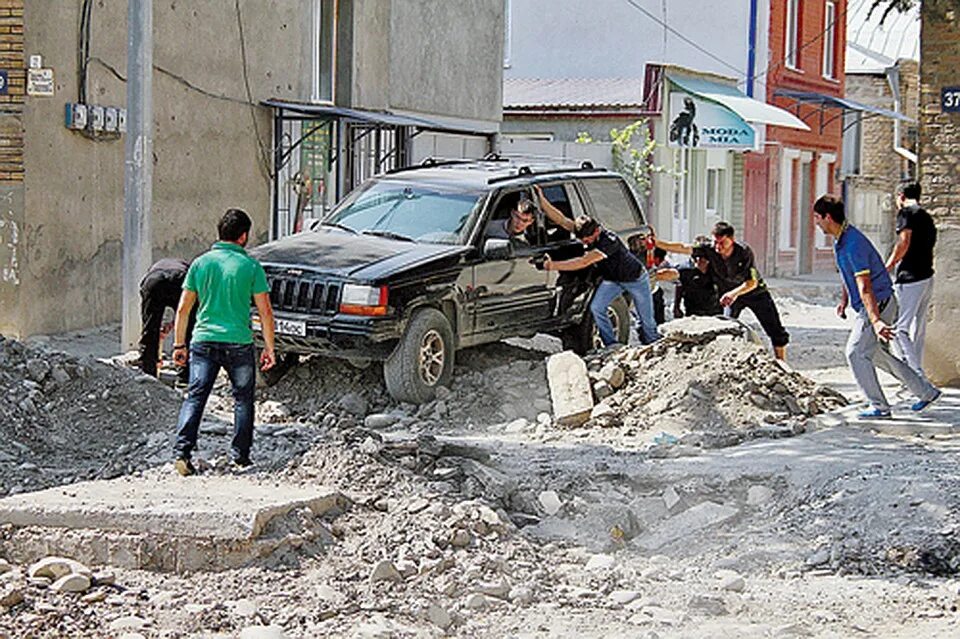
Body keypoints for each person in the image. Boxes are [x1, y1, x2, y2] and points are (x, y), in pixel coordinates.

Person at [812, 195, 941, 418]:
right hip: (877, 302)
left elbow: (865, 287)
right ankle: (926, 392)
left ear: (828, 217)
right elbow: (849, 275)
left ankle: (880, 407)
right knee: (877, 355)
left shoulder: (853, 244)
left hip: (878, 302)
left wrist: (875, 320)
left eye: (817, 217)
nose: (815, 222)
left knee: (855, 352)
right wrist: (844, 300)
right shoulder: (840, 239)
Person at [171, 209, 277, 476]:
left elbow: (184, 308)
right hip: (239, 343)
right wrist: (269, 347)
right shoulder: (251, 267)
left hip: (203, 341)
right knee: (243, 400)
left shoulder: (200, 263)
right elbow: (265, 311)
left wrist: (179, 345)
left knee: (195, 397)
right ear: (243, 236)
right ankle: (240, 456)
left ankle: (182, 453)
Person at [655, 221, 789, 360]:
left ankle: (782, 363)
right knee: (727, 329)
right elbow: (683, 247)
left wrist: (733, 293)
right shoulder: (709, 249)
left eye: (722, 243)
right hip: (730, 297)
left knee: (775, 330)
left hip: (754, 293)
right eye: (715, 243)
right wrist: (657, 243)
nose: (718, 247)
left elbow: (752, 282)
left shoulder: (744, 252)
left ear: (732, 240)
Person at [543, 216, 660, 346]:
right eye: (581, 239)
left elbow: (584, 261)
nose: (584, 242)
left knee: (646, 319)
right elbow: (563, 220)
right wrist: (541, 199)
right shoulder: (585, 231)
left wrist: (552, 266)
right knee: (597, 308)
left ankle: (654, 345)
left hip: (635, 279)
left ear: (597, 231)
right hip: (612, 280)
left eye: (587, 239)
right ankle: (611, 344)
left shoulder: (609, 240)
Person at [885, 182, 936, 374]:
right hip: (927, 276)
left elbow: (903, 242)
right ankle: (916, 369)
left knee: (900, 328)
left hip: (910, 278)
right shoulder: (926, 217)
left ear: (901, 196)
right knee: (918, 328)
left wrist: (888, 265)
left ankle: (914, 374)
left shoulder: (906, 214)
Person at [138, 258, 194, 383]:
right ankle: (184, 376)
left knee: (149, 329)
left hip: (153, 282)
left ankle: (148, 373)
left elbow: (150, 317)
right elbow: (184, 311)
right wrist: (176, 324)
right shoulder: (186, 268)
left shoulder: (153, 270)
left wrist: (159, 328)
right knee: (188, 330)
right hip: (180, 280)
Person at [658, 243, 723, 318]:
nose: (699, 260)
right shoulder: (687, 271)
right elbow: (679, 286)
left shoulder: (716, 272)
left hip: (714, 311)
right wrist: (676, 307)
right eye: (696, 257)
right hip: (693, 311)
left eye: (702, 257)